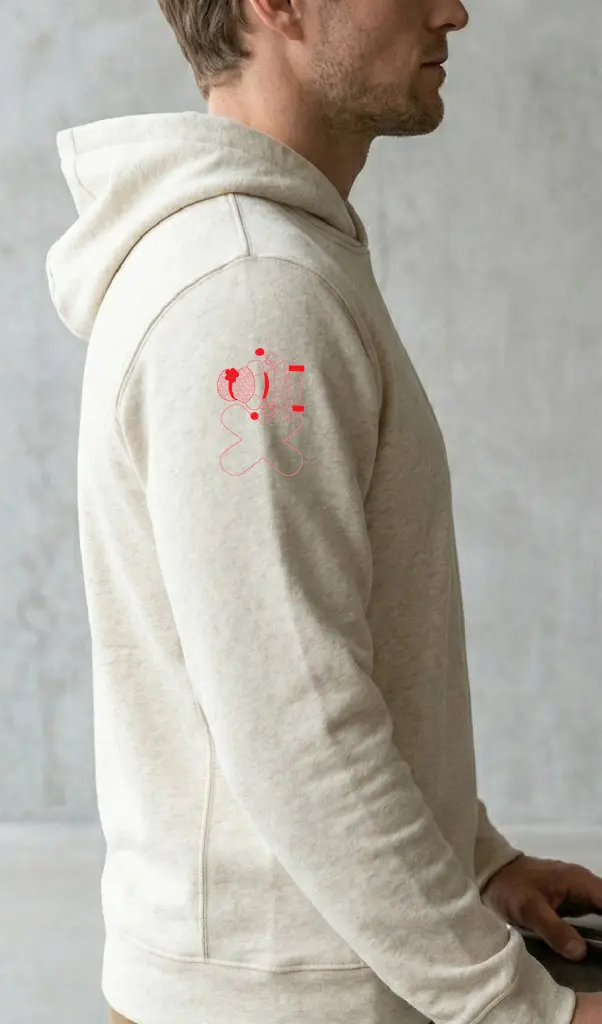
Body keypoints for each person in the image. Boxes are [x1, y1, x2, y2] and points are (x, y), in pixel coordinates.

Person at [45, 1, 602, 1022]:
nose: (453, 11)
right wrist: (521, 1008)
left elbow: (318, 659)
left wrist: (475, 860)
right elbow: (296, 725)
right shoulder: (250, 291)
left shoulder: (274, 259)